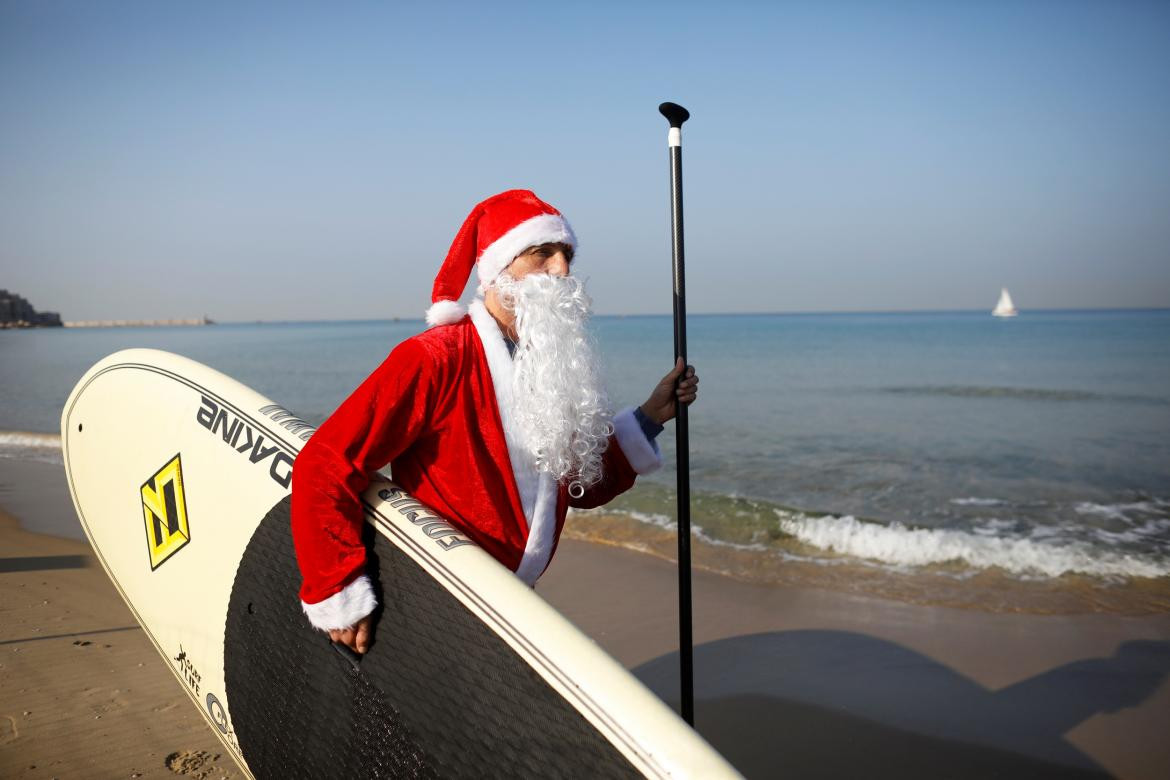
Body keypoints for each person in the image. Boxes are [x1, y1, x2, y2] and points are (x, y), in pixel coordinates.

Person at [291, 189, 698, 654]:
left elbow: (576, 489)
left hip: (506, 606)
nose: (561, 270)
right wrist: (340, 589)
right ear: (498, 270)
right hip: (431, 597)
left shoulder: (549, 366)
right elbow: (323, 466)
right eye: (542, 254)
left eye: (566, 255)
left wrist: (649, 417)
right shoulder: (435, 357)